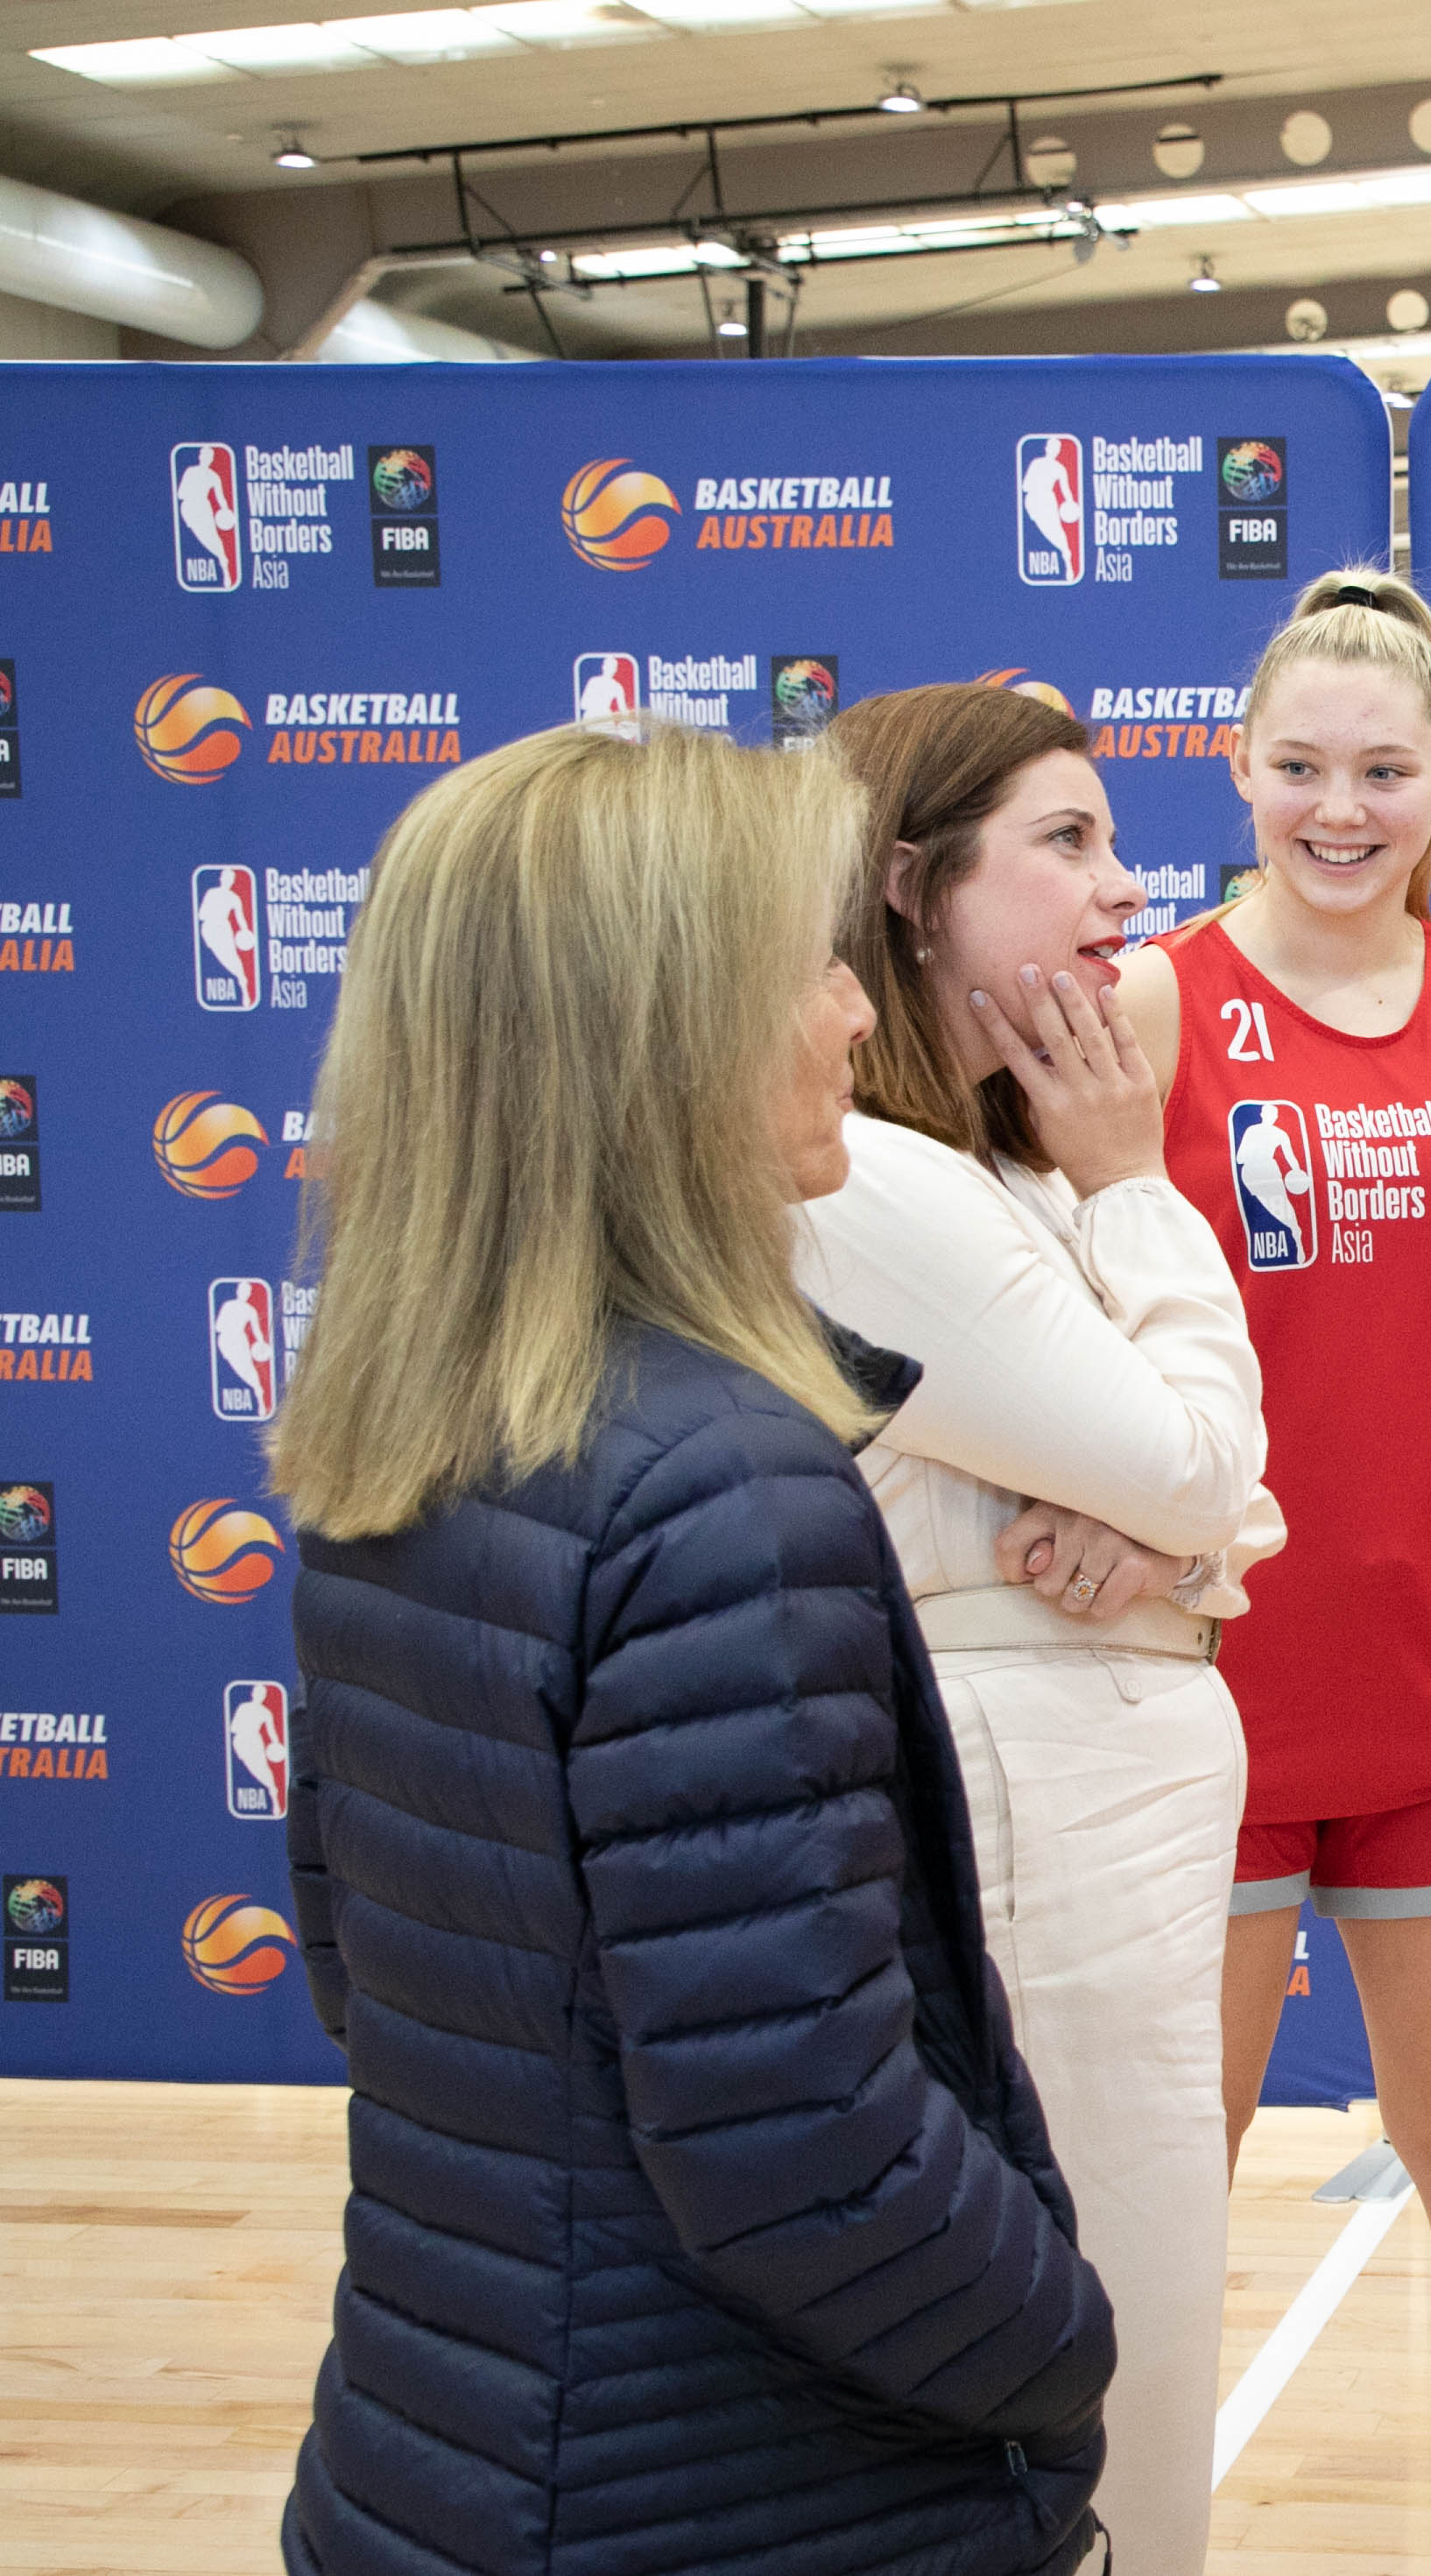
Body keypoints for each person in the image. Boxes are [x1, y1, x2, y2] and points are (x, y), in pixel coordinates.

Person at [272, 723, 1112, 2575]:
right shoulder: (721, 1494)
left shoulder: (398, 1440)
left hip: (433, 2465)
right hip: (744, 2497)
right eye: (798, 968)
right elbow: (805, 2151)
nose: (845, 1011)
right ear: (660, 1036)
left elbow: (369, 1973)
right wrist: (1060, 2351)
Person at [1116, 566, 1431, 2576]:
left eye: (1383, 772)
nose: (1340, 808)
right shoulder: (1155, 998)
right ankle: (1119, 2535)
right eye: (1300, 767)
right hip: (1205, 1690)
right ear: (1237, 767)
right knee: (1174, 2176)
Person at [794, 682, 1286, 2575]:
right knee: (1102, 2375)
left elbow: (1227, 1500)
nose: (1122, 884)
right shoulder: (889, 1184)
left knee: (1135, 2352)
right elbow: (1197, 1461)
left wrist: (1183, 1522)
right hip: (1038, 1833)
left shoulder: (995, 1168)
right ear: (912, 888)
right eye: (1064, 842)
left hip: (1108, 1829)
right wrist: (1143, 1186)